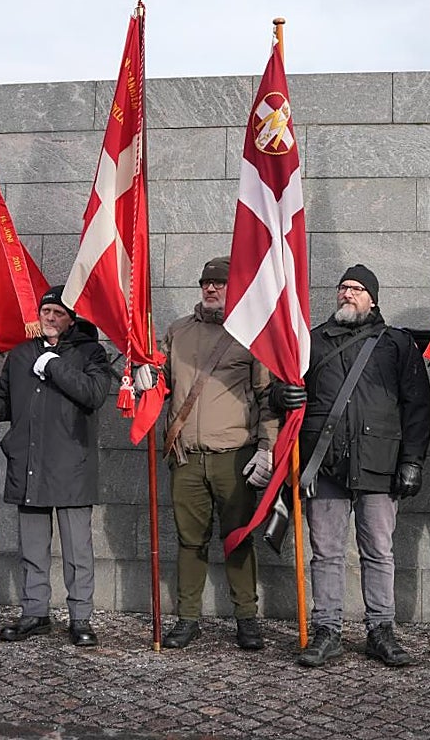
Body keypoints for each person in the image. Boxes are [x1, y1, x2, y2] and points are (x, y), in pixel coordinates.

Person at [275, 264, 430, 668]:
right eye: (343, 287)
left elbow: (418, 407)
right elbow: (282, 388)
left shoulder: (396, 344)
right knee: (325, 552)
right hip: (324, 464)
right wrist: (285, 395)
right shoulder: (311, 341)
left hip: (380, 465)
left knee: (379, 551)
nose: (347, 293)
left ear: (373, 298)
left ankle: (381, 630)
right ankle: (327, 629)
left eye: (357, 289)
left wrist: (412, 460)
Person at [141, 256, 278, 651]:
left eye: (219, 284)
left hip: (234, 456)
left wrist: (267, 448)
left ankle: (247, 619)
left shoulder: (252, 336)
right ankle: (187, 618)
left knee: (237, 539)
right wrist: (143, 374)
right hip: (185, 457)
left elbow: (267, 399)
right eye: (206, 283)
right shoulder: (178, 332)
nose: (212, 289)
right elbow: (161, 382)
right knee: (189, 541)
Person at [0, 285, 111, 648]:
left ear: (71, 319)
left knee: (77, 552)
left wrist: (54, 365)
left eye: (57, 313)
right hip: (29, 464)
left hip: (70, 467)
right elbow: (7, 403)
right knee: (32, 548)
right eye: (45, 312)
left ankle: (81, 617)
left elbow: (94, 395)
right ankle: (35, 612)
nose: (49, 318)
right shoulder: (20, 355)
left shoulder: (89, 352)